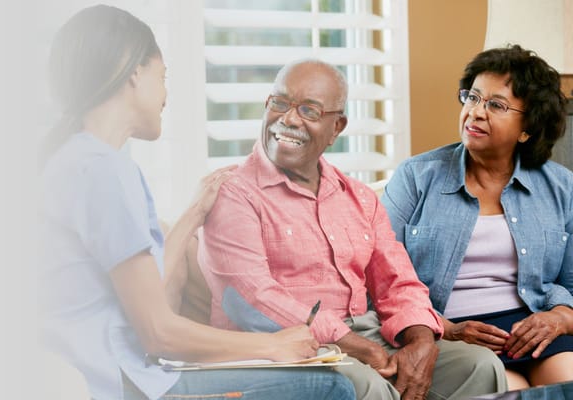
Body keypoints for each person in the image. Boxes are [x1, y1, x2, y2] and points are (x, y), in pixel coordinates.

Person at [40, 5, 355, 400]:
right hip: (120, 384)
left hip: (126, 374)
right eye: (163, 76)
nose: (166, 95)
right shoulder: (103, 170)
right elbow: (157, 332)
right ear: (134, 72)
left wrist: (191, 215)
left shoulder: (82, 159)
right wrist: (271, 346)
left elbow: (145, 293)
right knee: (328, 388)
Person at [197, 59, 507, 400]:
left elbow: (397, 281)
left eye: (309, 111)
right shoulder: (233, 193)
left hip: (367, 334)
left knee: (480, 365)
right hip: (288, 348)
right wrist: (357, 347)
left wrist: (420, 340)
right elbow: (252, 302)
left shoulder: (357, 197)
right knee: (366, 385)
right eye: (279, 103)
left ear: (337, 127)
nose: (287, 119)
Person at [381, 44, 573, 390]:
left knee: (568, 381)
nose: (475, 112)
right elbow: (380, 278)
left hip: (531, 328)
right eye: (472, 97)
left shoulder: (561, 186)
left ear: (527, 128)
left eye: (495, 105)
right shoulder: (416, 177)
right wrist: (445, 327)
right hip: (449, 328)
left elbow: (572, 284)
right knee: (509, 389)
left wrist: (559, 317)